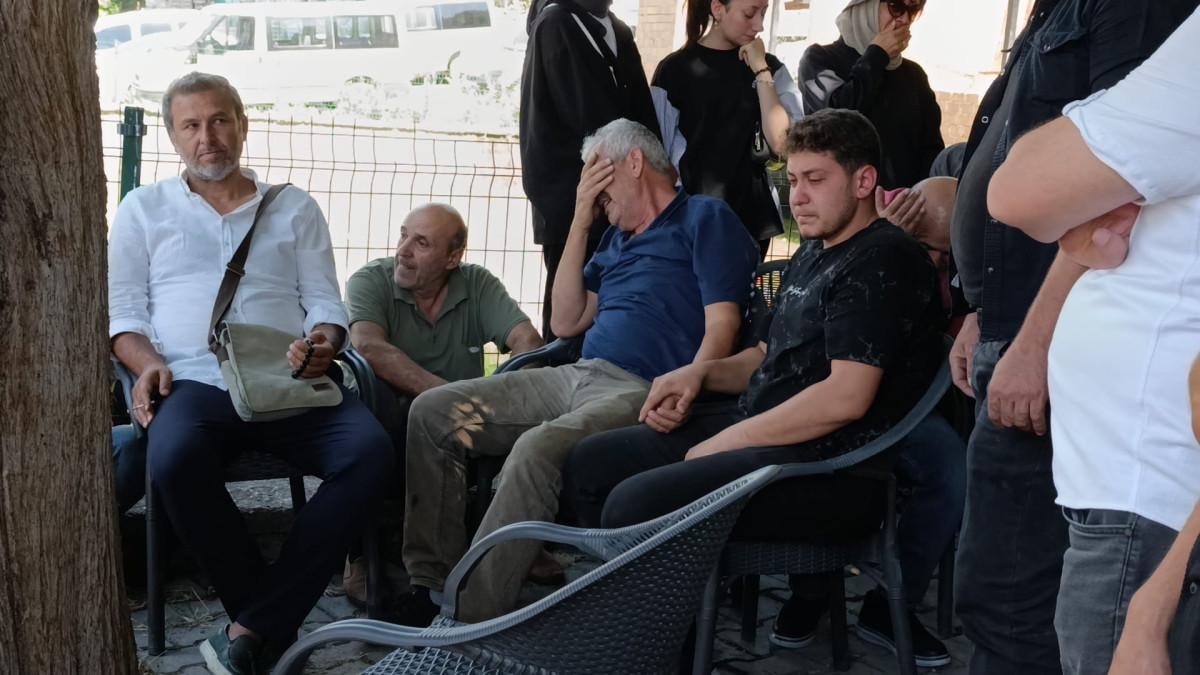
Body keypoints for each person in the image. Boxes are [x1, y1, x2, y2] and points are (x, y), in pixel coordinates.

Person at [564, 110, 943, 657]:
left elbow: (846, 397)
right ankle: (647, 638)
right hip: (763, 430)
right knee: (591, 463)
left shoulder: (883, 260)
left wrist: (724, 442)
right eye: (793, 180)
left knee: (636, 503)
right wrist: (698, 374)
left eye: (816, 180)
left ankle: (646, 655)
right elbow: (763, 356)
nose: (798, 199)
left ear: (864, 181)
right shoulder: (814, 251)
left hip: (833, 471)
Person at [392, 118, 759, 626]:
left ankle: (470, 618)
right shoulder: (614, 241)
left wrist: (689, 386)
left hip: (644, 386)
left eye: (598, 182)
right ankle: (431, 583)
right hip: (577, 372)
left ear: (633, 163)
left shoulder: (704, 217)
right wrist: (582, 219)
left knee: (537, 449)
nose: (595, 197)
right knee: (435, 411)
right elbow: (565, 322)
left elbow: (723, 323)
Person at [108, 72, 393, 675]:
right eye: (190, 125)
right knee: (173, 458)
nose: (206, 137)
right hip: (192, 381)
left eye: (219, 120)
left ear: (242, 124)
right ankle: (267, 624)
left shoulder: (293, 207)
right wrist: (147, 363)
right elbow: (124, 315)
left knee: (369, 452)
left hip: (288, 376)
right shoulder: (143, 209)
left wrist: (323, 342)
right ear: (173, 136)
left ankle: (252, 629)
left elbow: (324, 300)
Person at [946, 2, 1197, 672]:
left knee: (1013, 607)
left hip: (1133, 458)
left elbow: (1032, 190)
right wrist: (978, 309)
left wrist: (1032, 344)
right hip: (1033, 350)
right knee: (1001, 596)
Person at [340, 202, 543, 604]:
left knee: (530, 411)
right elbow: (368, 346)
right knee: (387, 416)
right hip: (388, 412)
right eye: (403, 236)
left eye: (421, 243)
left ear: (452, 259)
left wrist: (499, 393)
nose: (403, 251)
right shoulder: (371, 280)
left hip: (459, 420)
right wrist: (448, 398)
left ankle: (506, 538)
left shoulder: (477, 284)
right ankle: (363, 553)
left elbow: (529, 342)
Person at [519, 0, 659, 340]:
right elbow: (592, 120)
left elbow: (643, 119)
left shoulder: (618, 30)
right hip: (575, 213)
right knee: (570, 326)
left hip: (626, 210)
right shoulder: (556, 24)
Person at [651, 0, 803, 255]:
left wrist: (761, 70)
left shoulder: (771, 68)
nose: (760, 25)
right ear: (718, 8)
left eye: (764, 12)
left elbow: (783, 142)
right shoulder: (674, 70)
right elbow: (656, 155)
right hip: (690, 220)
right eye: (750, 13)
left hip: (751, 220)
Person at [799, 0, 942, 191]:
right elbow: (837, 121)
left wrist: (917, 196)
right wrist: (877, 55)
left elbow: (931, 150)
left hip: (902, 204)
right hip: (841, 202)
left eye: (913, 11)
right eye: (896, 7)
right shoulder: (820, 58)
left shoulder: (913, 75)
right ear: (867, 5)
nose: (905, 19)